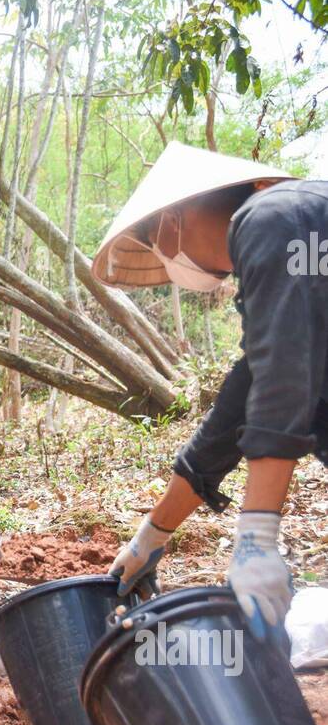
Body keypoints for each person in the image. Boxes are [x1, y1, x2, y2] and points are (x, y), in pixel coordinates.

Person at [91, 140, 327, 644]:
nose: (163, 255)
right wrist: (152, 534)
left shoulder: (271, 215)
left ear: (174, 219)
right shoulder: (294, 234)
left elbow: (284, 375)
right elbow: (243, 400)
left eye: (156, 238)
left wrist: (258, 535)